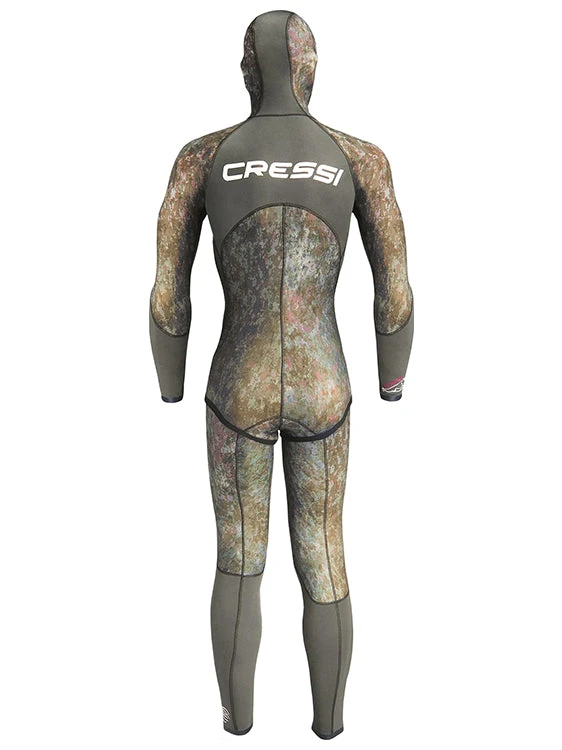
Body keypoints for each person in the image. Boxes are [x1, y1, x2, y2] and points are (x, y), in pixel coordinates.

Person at [149, 9, 414, 739]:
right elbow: (395, 293)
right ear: (311, 68)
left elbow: (168, 296)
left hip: (237, 382)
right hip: (325, 382)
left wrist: (170, 385)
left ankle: (236, 725)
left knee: (239, 558)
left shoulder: (202, 158)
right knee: (324, 552)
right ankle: (329, 726)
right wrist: (392, 381)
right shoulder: (360, 158)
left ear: (245, 72)